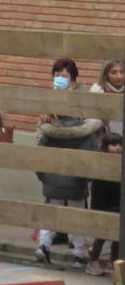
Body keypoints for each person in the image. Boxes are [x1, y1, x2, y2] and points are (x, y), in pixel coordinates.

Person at [35, 58, 104, 268]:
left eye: (64, 75)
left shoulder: (49, 130)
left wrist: (43, 175)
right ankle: (79, 251)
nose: (59, 79)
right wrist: (88, 176)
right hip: (77, 179)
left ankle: (44, 245)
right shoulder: (87, 132)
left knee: (52, 212)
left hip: (53, 178)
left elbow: (40, 153)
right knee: (77, 215)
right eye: (57, 74)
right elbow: (93, 150)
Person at [85, 131, 122, 276]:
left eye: (120, 145)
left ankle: (115, 261)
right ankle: (93, 259)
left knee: (117, 236)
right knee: (103, 235)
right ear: (105, 147)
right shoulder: (101, 163)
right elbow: (99, 187)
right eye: (114, 145)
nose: (118, 148)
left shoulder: (120, 163)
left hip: (117, 204)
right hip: (104, 204)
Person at [90, 59, 124, 134]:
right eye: (113, 72)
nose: (118, 76)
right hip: (103, 134)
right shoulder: (97, 90)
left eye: (122, 72)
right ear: (106, 74)